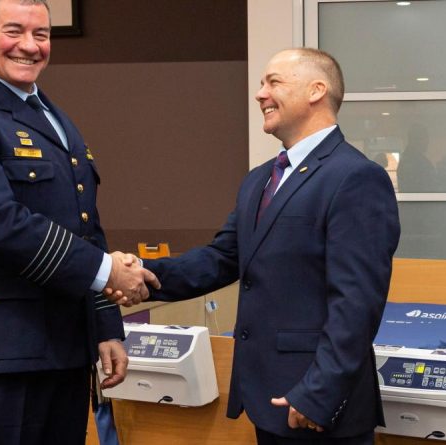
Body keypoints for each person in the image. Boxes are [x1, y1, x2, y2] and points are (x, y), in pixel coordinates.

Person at [126, 48, 400, 444]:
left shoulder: (356, 178)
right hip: (268, 399)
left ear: (316, 90)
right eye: (261, 84)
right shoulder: (260, 180)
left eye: (273, 82)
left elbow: (357, 304)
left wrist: (318, 394)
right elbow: (222, 258)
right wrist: (141, 276)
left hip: (316, 405)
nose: (259, 94)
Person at [0, 1, 157, 443]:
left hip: (61, 348)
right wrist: (108, 273)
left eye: (41, 34)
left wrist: (104, 326)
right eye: (14, 31)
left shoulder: (52, 117)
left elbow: (84, 223)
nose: (29, 45)